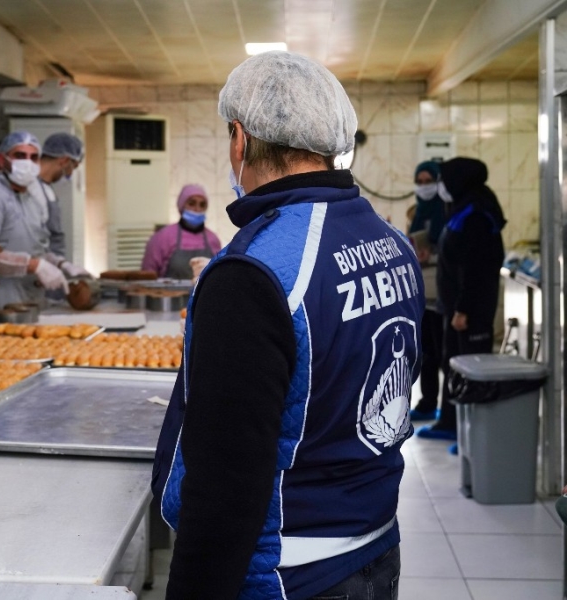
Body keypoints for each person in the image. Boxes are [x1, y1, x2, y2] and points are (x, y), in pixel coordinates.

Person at [151, 51, 423, 599]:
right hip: (375, 550)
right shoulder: (392, 243)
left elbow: (225, 482)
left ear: (239, 138)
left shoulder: (255, 270)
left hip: (288, 573)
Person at [416, 157, 505, 441]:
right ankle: (452, 424)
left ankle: (474, 435)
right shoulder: (461, 210)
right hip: (454, 307)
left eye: (442, 180)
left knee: (472, 367)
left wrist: (463, 309)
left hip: (470, 311)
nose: (440, 186)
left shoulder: (477, 216)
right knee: (453, 363)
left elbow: (476, 268)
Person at [0, 131, 86, 321]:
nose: (27, 162)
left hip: (28, 304)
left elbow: (34, 247)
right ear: (1, 159)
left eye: (33, 157)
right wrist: (34, 265)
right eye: (19, 156)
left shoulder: (31, 199)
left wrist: (60, 264)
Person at [408, 161, 447, 422]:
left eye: (428, 181)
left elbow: (453, 250)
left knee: (444, 353)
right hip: (423, 292)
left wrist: (431, 252)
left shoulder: (447, 210)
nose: (423, 187)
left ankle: (449, 410)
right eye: (419, 182)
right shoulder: (418, 211)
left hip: (442, 291)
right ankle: (427, 402)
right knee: (428, 353)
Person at [27, 132, 86, 262]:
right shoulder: (30, 188)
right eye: (73, 167)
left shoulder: (47, 189)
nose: (71, 173)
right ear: (64, 161)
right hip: (32, 268)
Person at [141, 184, 221, 279]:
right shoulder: (163, 237)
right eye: (192, 203)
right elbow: (148, 276)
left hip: (204, 294)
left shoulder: (212, 239)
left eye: (202, 205)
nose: (197, 209)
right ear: (182, 205)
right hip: (167, 293)